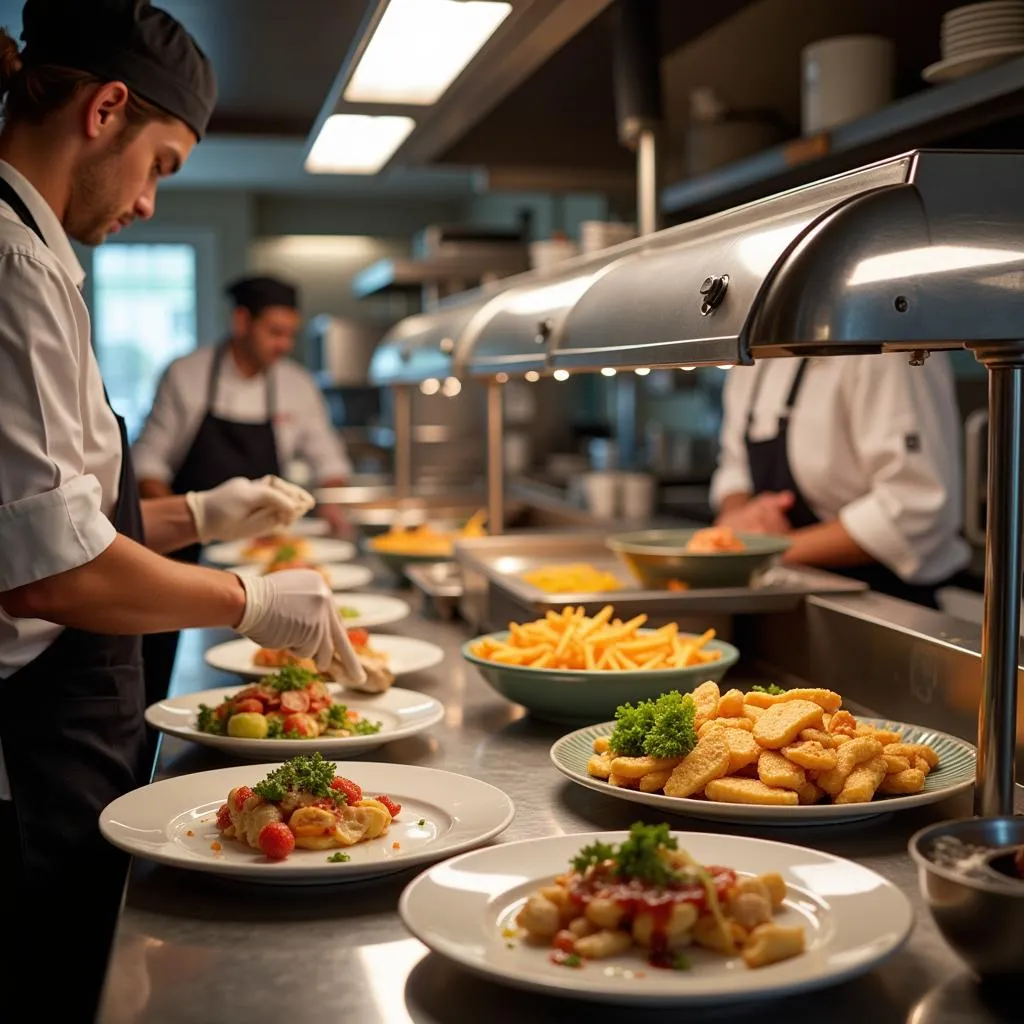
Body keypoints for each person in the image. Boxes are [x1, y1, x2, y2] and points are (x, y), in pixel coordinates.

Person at [0, 2, 363, 1016]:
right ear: (106, 109)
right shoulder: (13, 267)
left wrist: (205, 511)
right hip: (25, 747)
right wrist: (248, 600)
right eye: (160, 164)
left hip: (68, 724)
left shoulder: (43, 267)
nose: (153, 201)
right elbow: (54, 572)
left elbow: (64, 526)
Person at [131, 274, 354, 705]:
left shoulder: (295, 384)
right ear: (241, 321)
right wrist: (195, 518)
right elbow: (148, 464)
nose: (284, 344)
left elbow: (329, 459)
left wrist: (334, 505)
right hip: (188, 556)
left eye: (290, 333)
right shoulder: (187, 375)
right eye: (274, 332)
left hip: (268, 555)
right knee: (181, 676)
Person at [709, 353, 970, 607]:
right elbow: (734, 466)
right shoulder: (754, 352)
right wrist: (737, 520)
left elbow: (915, 504)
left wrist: (768, 549)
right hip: (783, 593)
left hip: (884, 604)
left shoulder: (887, 342)